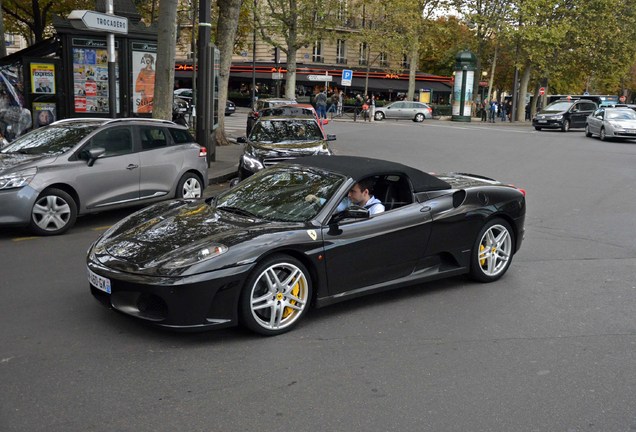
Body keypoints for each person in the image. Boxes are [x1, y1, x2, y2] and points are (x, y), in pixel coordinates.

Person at [305, 178, 385, 216]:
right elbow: (334, 206)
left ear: (365, 192)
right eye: (349, 191)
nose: (349, 195)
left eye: (353, 191)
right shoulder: (349, 201)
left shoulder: (377, 209)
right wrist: (317, 199)